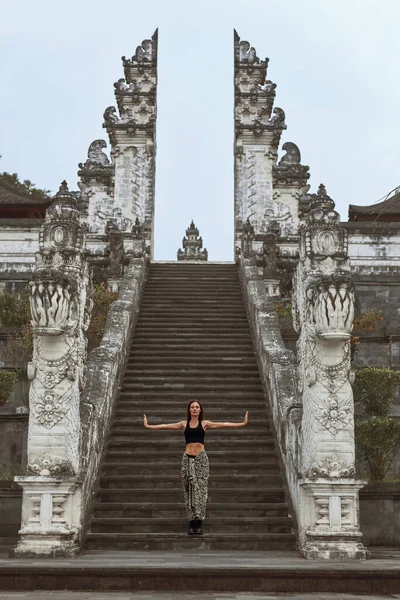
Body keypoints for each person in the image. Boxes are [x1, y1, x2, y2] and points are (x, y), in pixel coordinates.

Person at [143, 399, 249, 535]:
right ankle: (191, 522)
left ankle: (198, 523)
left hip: (201, 460)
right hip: (187, 459)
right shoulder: (183, 424)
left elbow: (224, 424)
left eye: (197, 407)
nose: (194, 409)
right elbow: (165, 426)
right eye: (192, 407)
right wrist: (148, 426)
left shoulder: (204, 424)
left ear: (200, 410)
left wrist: (242, 423)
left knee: (201, 491)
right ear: (189, 410)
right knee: (189, 490)